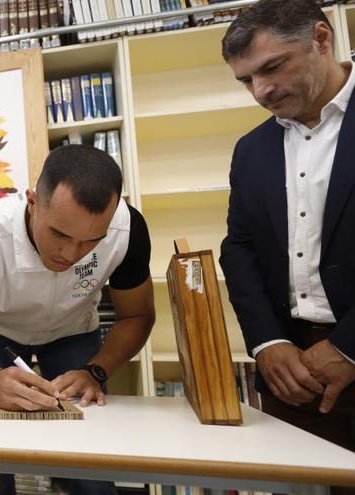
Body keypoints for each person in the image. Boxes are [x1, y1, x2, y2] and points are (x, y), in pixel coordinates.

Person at [0, 144, 154, 495]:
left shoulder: (128, 232)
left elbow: (137, 316)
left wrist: (95, 371)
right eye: (60, 235)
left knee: (91, 459)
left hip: (74, 333)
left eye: (91, 241)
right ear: (32, 202)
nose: (71, 254)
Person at [219, 0, 355, 462]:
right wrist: (268, 343)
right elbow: (239, 250)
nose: (261, 91)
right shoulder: (251, 150)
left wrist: (346, 348)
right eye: (246, 81)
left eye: (272, 68)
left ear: (321, 38)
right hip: (289, 373)